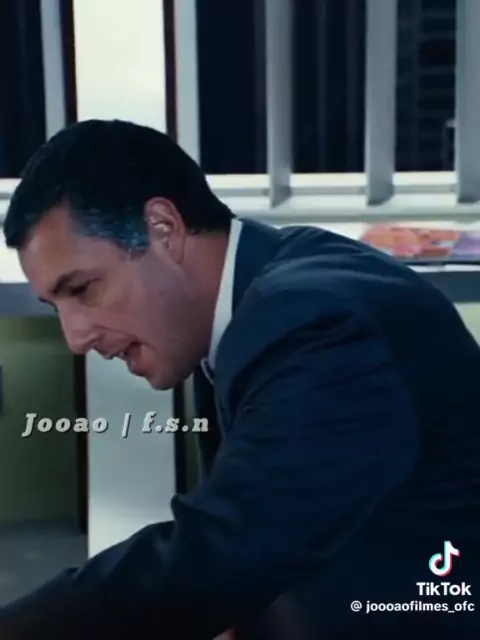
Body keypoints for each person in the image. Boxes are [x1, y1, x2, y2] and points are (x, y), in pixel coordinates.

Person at [1, 119, 479, 639]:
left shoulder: (313, 322)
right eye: (56, 306)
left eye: (84, 290)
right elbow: (262, 520)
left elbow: (231, 548)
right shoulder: (254, 292)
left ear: (163, 228)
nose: (76, 338)